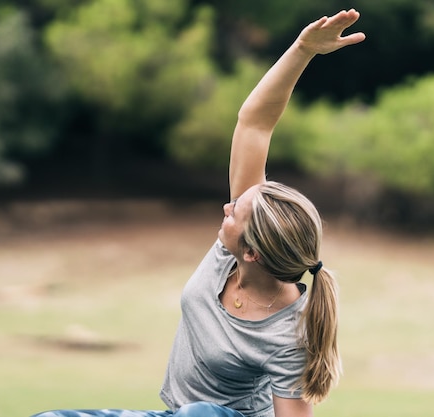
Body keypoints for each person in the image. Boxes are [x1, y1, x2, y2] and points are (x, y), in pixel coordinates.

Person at [31, 9, 365, 417]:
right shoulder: (237, 247)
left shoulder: (288, 334)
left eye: (232, 215)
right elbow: (255, 124)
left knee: (200, 414)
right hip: (175, 415)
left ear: (253, 253)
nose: (227, 207)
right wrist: (302, 50)